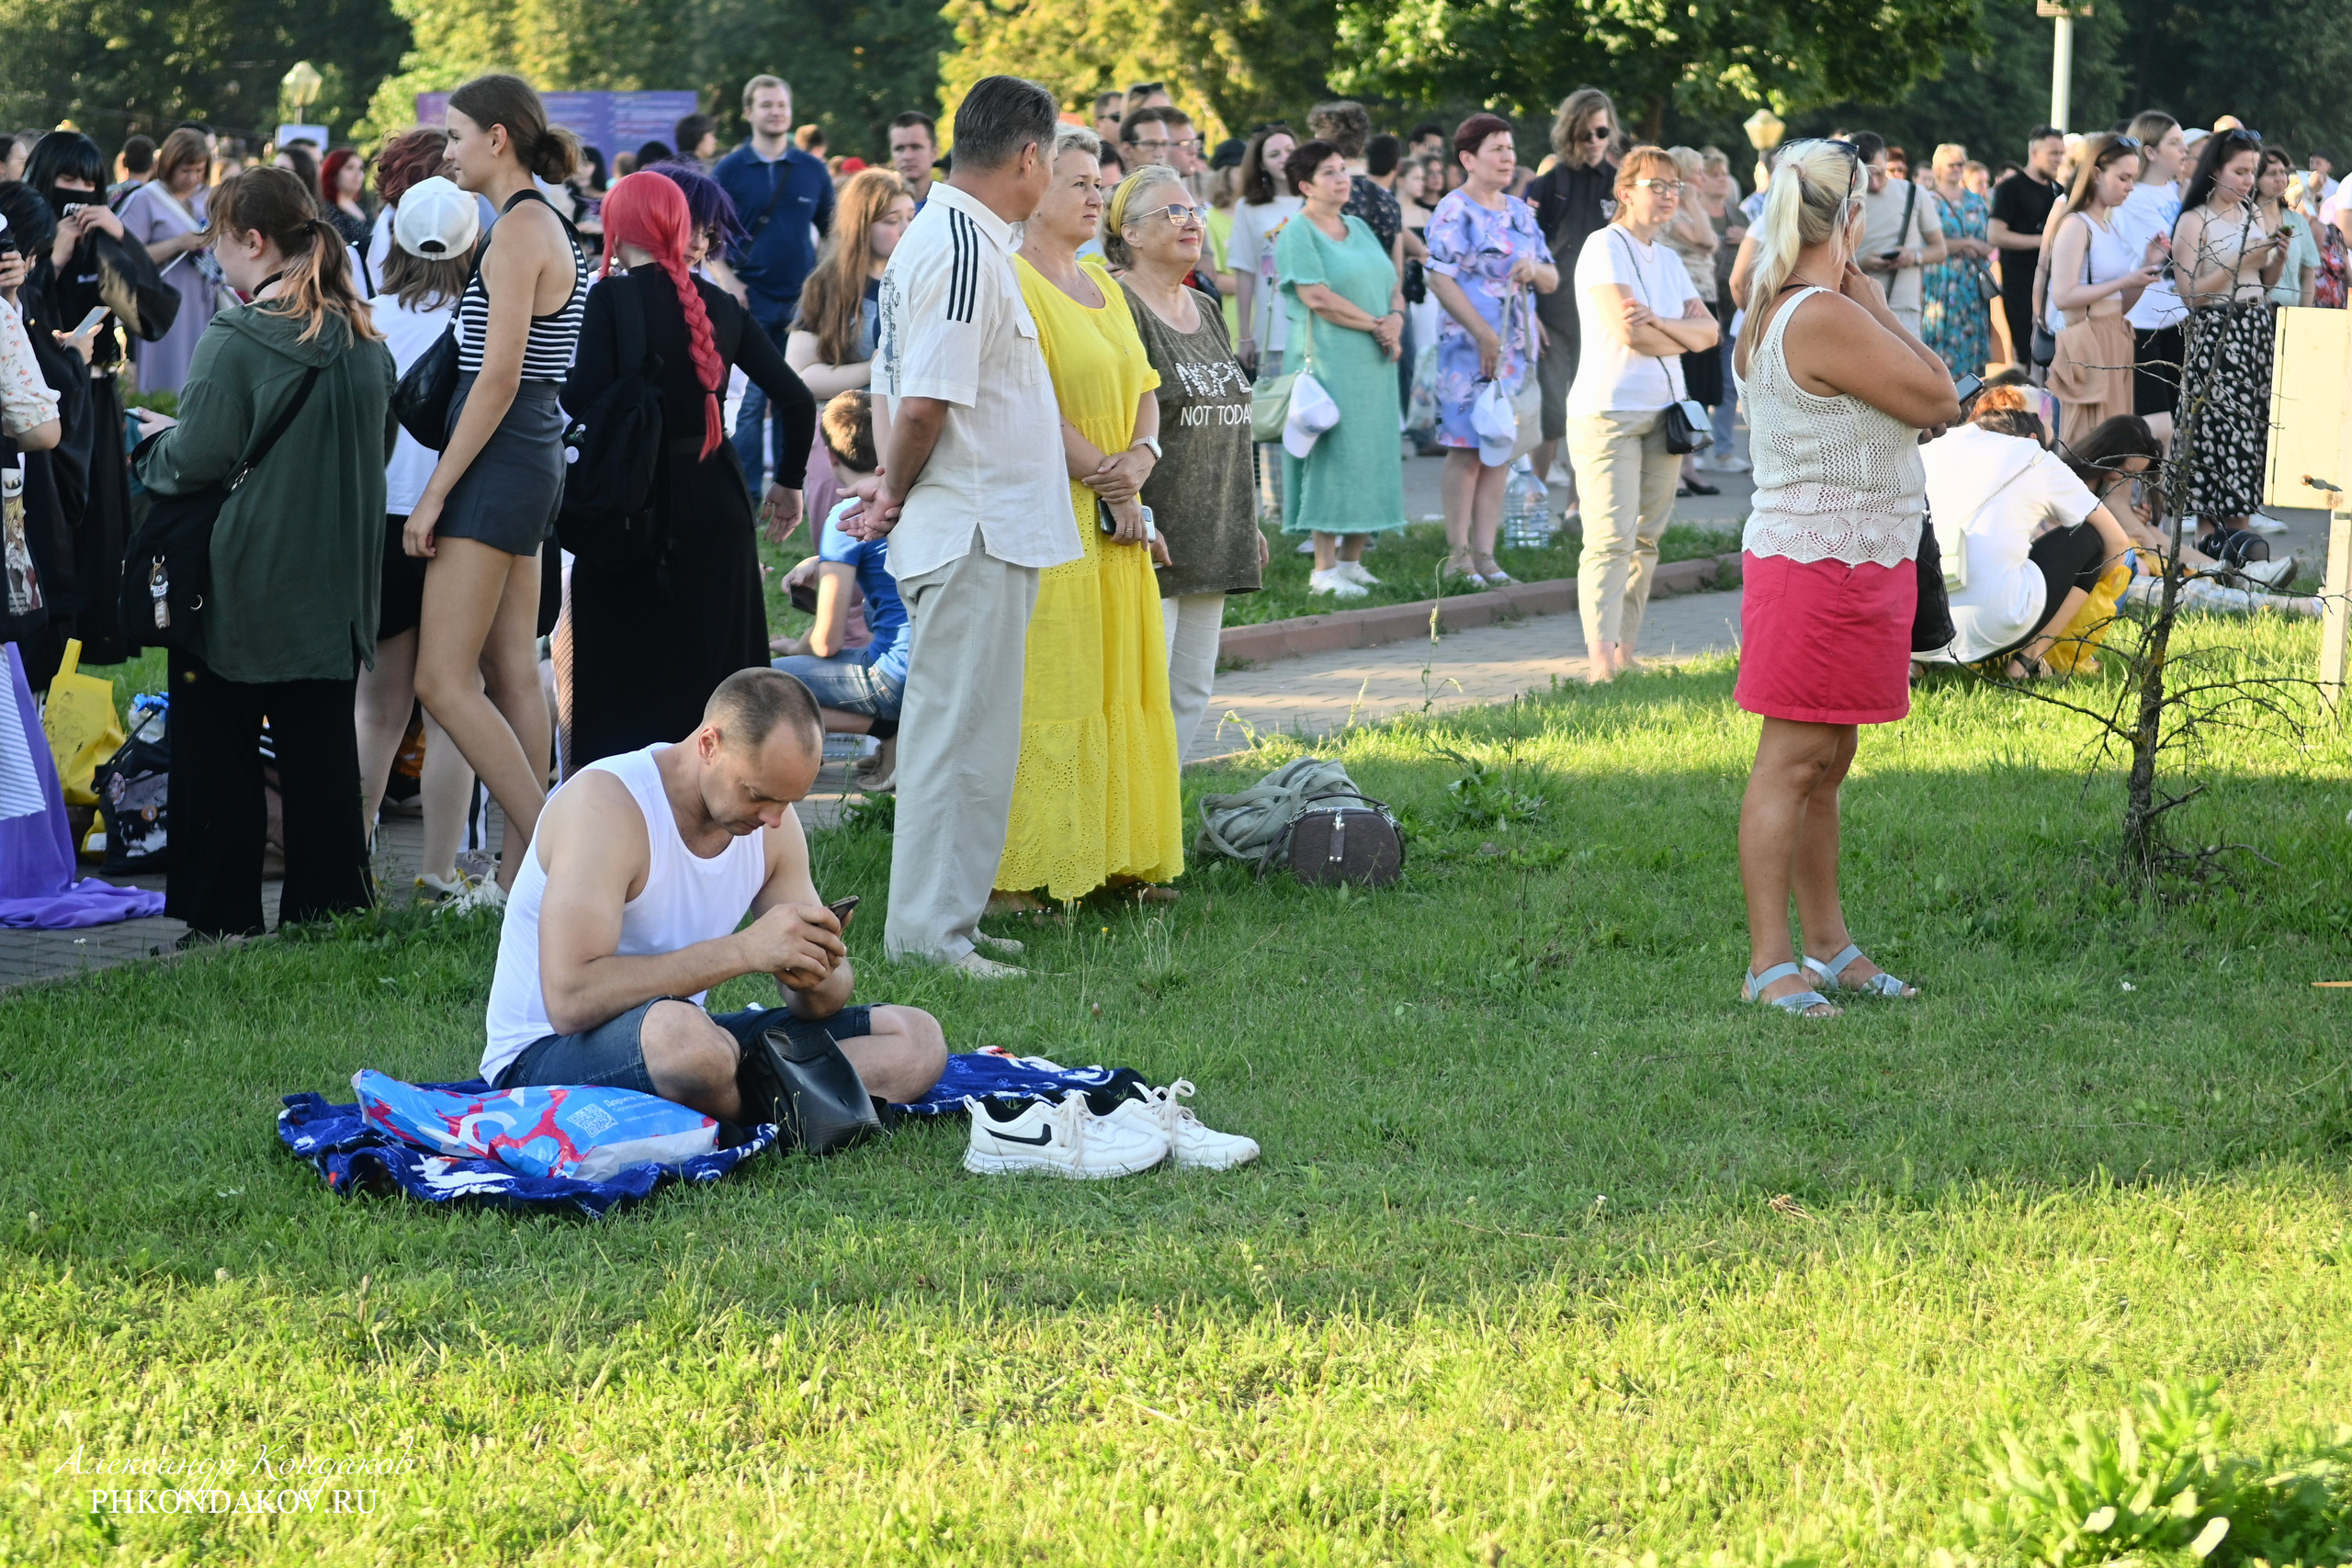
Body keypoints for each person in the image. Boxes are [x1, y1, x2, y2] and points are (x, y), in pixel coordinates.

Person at [479, 668, 946, 1122]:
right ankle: (786, 1104)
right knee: (687, 1043)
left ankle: (744, 1103)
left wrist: (817, 969)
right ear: (708, 745)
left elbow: (821, 1004)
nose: (775, 819)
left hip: (689, 1041)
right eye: (758, 795)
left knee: (916, 1039)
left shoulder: (771, 827)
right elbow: (570, 1001)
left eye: (788, 802)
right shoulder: (607, 806)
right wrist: (744, 950)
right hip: (541, 1058)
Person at [129, 166, 397, 939]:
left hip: (243, 579)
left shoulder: (237, 337)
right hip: (339, 580)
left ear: (253, 240)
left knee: (218, 751)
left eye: (220, 239)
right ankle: (330, 912)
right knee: (321, 755)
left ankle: (221, 919)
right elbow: (372, 451)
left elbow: (198, 457)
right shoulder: (362, 334)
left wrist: (152, 445)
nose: (216, 256)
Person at [1731, 138, 1961, 1017]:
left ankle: (1829, 946)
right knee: (1792, 762)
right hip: (1814, 565)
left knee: (1829, 761)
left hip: (1857, 556)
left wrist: (1856, 289)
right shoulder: (1820, 312)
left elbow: (1913, 399)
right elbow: (1940, 394)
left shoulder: (1796, 304)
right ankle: (1769, 962)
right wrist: (1865, 289)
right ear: (1851, 219)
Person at [854, 73, 1071, 976]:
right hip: (970, 523)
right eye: (1052, 160)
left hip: (985, 522)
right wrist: (891, 489)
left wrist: (892, 483)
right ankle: (927, 935)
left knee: (978, 735)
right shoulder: (963, 245)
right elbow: (923, 404)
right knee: (952, 740)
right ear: (1028, 157)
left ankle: (952, 917)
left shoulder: (954, 235)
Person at [406, 74, 588, 904]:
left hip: (504, 454)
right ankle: (521, 881)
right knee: (511, 671)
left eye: (454, 136)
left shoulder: (519, 230)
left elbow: (498, 377)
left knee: (441, 679)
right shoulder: (538, 221)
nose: (446, 153)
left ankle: (552, 851)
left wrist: (436, 492)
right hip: (530, 454)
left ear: (498, 139)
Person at [989, 126, 1182, 908]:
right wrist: (1110, 484)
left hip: (1119, 516)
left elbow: (1144, 383)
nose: (1095, 195)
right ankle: (1032, 870)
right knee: (1056, 685)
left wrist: (1141, 462)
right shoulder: (1012, 279)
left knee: (1119, 683)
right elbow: (1029, 398)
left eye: (1099, 183)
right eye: (1076, 182)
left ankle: (1116, 859)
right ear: (1035, 193)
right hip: (1059, 510)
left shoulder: (1102, 280)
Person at [563, 172, 813, 772]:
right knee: (715, 678)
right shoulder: (721, 305)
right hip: (716, 504)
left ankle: (629, 820)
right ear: (678, 226)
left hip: (632, 508)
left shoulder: (610, 299)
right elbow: (798, 400)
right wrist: (790, 482)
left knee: (624, 671)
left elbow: (579, 398)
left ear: (619, 230)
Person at [355, 149, 483, 903]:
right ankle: (440, 870)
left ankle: (352, 858)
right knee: (452, 699)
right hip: (457, 523)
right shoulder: (482, 320)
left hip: (379, 523)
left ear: (395, 242)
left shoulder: (364, 319)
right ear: (473, 244)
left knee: (378, 705)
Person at [1110, 163, 1264, 759]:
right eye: (1172, 213)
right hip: (1152, 533)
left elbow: (1229, 425)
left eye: (1194, 211)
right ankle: (1126, 836)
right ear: (1131, 233)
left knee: (1190, 692)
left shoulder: (1208, 306)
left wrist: (1244, 517)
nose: (1190, 222)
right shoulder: (1117, 303)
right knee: (1143, 694)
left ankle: (1160, 837)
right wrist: (1133, 510)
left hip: (1215, 526)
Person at [25, 131, 178, 668]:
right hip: (41, 402)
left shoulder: (103, 236)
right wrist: (53, 260)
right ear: (45, 179)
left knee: (102, 529)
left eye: (91, 182)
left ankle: (92, 640)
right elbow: (20, 314)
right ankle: (47, 640)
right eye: (69, 179)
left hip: (97, 395)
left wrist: (122, 238)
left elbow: (152, 317)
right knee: (53, 529)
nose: (81, 193)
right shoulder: (27, 236)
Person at [1566, 144, 1717, 682]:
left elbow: (1710, 334)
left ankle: (1627, 653)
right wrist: (1674, 331)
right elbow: (1629, 332)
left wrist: (1664, 326)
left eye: (1675, 186)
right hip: (1608, 412)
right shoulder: (1604, 246)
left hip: (1664, 414)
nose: (1670, 194)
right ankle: (1599, 663)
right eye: (1658, 185)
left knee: (1647, 538)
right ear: (1625, 191)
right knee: (1609, 538)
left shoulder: (1670, 259)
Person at [1916, 390, 2134, 677]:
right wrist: (2091, 596)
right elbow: (2116, 542)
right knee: (2091, 538)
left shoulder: (1930, 448)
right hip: (1996, 623)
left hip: (1914, 626)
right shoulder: (2034, 456)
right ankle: (2026, 664)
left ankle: (1913, 665)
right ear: (2033, 439)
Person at [1426, 114, 1558, 585]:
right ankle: (1458, 557)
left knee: (1500, 450)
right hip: (1468, 350)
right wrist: (1483, 332)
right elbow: (1439, 278)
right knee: (1466, 451)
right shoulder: (1453, 210)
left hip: (1514, 349)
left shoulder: (1521, 212)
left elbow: (1551, 275)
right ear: (1468, 159)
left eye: (1509, 148)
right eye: (1496, 150)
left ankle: (1487, 556)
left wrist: (1531, 270)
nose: (1508, 158)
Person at [1275, 139, 1408, 596]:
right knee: (1333, 457)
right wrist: (1378, 325)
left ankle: (1352, 561)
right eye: (1329, 172)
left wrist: (1395, 319)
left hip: (1374, 363)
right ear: (1306, 185)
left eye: (1343, 169)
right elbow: (1317, 297)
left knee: (1370, 456)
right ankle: (1323, 569)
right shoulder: (1297, 231)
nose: (1341, 178)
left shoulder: (1358, 225)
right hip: (1329, 362)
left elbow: (1393, 281)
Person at [713, 75, 835, 487]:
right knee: (750, 403)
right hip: (748, 301)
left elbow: (835, 233)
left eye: (782, 104)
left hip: (802, 303)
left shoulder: (812, 169)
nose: (776, 111)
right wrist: (727, 279)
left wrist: (825, 285)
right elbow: (706, 235)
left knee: (795, 397)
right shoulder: (728, 170)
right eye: (766, 105)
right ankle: (745, 494)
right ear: (748, 112)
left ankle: (791, 486)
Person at [771, 390, 904, 756]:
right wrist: (820, 560)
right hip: (937, 669)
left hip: (892, 677)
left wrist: (792, 649)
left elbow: (825, 643)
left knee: (758, 685)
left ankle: (887, 729)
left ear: (828, 455)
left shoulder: (845, 515)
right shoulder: (911, 496)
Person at [2169, 128, 2286, 546]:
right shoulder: (2193, 219)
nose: (2247, 181)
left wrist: (2275, 259)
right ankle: (2211, 545)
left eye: (2252, 172)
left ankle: (2244, 544)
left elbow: (2264, 281)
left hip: (2255, 328)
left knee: (2250, 432)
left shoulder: (2251, 214)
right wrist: (2240, 260)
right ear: (2215, 169)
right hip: (2218, 331)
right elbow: (2191, 294)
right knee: (2218, 433)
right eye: (2239, 171)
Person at [785, 169, 913, 527]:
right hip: (842, 442)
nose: (906, 228)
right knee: (842, 547)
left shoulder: (925, 278)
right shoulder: (827, 286)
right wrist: (873, 368)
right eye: (892, 220)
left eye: (910, 217)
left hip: (907, 439)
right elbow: (800, 375)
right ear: (861, 225)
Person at [1522, 88, 1620, 502]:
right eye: (1586, 134)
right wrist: (1531, 317)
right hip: (1552, 315)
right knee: (1551, 412)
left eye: (1602, 132)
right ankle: (1532, 499)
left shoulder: (1620, 184)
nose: (1595, 141)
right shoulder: (1546, 186)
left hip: (1601, 316)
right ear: (1570, 134)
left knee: (1590, 414)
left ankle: (1580, 506)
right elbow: (1526, 253)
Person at [2043, 132, 2164, 451]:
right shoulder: (2075, 225)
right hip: (2088, 341)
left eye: (2132, 179)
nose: (2130, 187)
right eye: (2123, 178)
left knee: (2115, 443)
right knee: (2088, 444)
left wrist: (2145, 268)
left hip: (2115, 336)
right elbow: (2063, 296)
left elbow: (2117, 303)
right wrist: (2125, 281)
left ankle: (2113, 501)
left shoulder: (2108, 226)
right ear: (2096, 174)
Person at [1228, 124, 1300, 517]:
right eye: (1274, 153)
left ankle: (1311, 504)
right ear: (1261, 163)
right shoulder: (1250, 209)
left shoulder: (1314, 202)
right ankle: (1276, 505)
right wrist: (1244, 334)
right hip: (1273, 332)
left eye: (1290, 149)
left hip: (1316, 329)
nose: (1284, 158)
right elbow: (1243, 271)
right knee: (1275, 418)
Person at [116, 129, 218, 396]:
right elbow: (126, 256)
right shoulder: (145, 199)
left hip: (203, 305)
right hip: (162, 307)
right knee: (163, 382)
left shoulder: (207, 199)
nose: (193, 178)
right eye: (186, 170)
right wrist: (177, 244)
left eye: (199, 170)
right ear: (168, 165)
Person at [2112, 112, 2189, 440]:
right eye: (2174, 143)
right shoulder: (2133, 197)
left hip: (2177, 315)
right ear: (2150, 151)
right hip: (2144, 319)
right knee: (2157, 424)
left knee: (2177, 416)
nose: (2183, 150)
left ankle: (2161, 491)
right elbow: (2172, 247)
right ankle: (2149, 490)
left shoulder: (2174, 190)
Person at [1657, 146, 1724, 496]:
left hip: (1705, 301)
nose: (1702, 176)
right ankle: (1676, 472)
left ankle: (1691, 467)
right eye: (1696, 171)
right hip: (1680, 306)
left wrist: (1695, 202)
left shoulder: (1692, 209)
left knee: (1700, 390)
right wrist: (1694, 202)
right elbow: (1702, 240)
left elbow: (1710, 242)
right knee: (1682, 389)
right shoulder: (1668, 215)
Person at [1852, 131, 1946, 338]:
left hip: (1904, 308)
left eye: (1880, 173)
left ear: (1886, 158)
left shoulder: (1914, 193)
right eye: (1867, 176)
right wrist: (1862, 263)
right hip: (1859, 307)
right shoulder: (1846, 200)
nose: (1875, 183)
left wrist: (1914, 256)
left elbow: (1940, 249)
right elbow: (1832, 261)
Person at [1919, 142, 1996, 377]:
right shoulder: (1929, 201)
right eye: (1951, 165)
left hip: (1971, 284)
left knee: (1972, 338)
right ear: (1938, 169)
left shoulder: (1976, 201)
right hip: (1941, 282)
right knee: (1941, 338)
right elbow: (1927, 243)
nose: (1957, 169)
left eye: (1960, 164)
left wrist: (1979, 247)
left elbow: (1989, 237)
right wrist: (1968, 243)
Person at [1693, 148, 1749, 468]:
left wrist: (1745, 238)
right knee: (1700, 383)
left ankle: (1725, 451)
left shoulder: (1737, 216)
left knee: (1729, 385)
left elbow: (1760, 251)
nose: (1721, 180)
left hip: (1732, 312)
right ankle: (1697, 450)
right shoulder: (1692, 214)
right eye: (1713, 174)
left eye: (1724, 174)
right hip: (1700, 310)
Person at [1306, 101, 1404, 281]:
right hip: (1380, 303)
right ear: (1361, 147)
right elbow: (1397, 270)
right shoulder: (1388, 201)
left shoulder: (1319, 195)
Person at [2258, 148, 2319, 308]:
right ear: (2255, 178)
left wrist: (2304, 315)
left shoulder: (2297, 221)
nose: (2280, 178)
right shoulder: (2246, 220)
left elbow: (2308, 273)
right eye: (2272, 174)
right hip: (2259, 314)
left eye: (2282, 172)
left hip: (2293, 316)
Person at [319, 149, 372, 249]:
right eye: (350, 168)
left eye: (360, 168)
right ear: (333, 174)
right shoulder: (328, 210)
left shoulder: (361, 207)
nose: (358, 174)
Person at [888, 112, 938, 208]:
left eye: (916, 147)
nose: (907, 156)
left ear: (934, 153)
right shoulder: (879, 208)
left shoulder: (950, 206)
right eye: (899, 148)